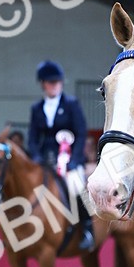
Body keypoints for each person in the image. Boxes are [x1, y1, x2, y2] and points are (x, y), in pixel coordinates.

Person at [27, 59, 93, 251]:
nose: (55, 85)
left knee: (76, 185)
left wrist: (74, 160)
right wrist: (36, 158)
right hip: (45, 159)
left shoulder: (71, 104)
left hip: (69, 157)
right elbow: (32, 138)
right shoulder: (37, 108)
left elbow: (81, 133)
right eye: (51, 82)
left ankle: (87, 228)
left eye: (58, 82)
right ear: (43, 84)